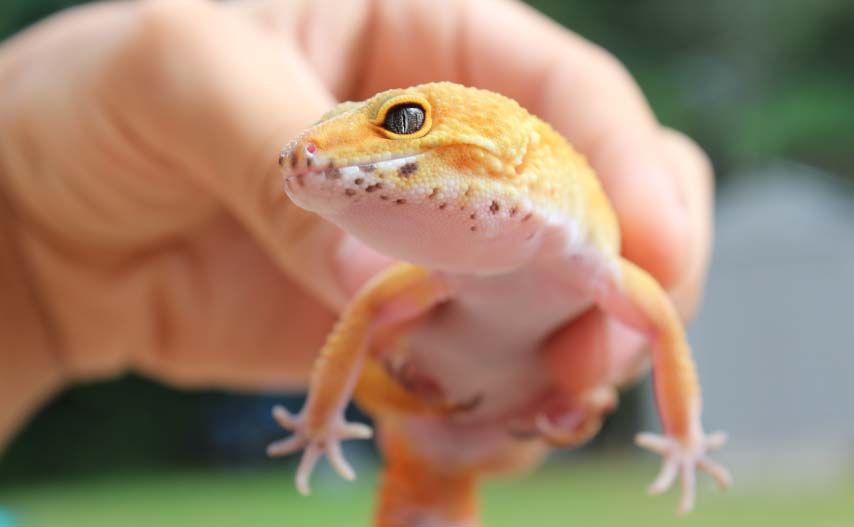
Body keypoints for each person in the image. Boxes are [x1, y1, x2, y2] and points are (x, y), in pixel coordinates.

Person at [0, 0, 713, 448]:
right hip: (438, 393)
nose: (298, 154)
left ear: (518, 150)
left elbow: (660, 331)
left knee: (534, 399)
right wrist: (321, 416)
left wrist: (683, 438)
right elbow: (364, 315)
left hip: (457, 400)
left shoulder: (584, 257)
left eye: (401, 122)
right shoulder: (431, 271)